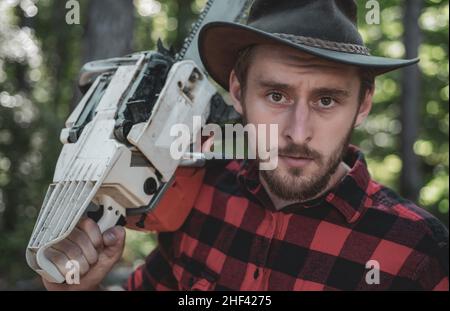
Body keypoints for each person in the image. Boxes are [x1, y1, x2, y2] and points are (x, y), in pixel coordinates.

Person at [43, 0, 449, 291]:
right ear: (237, 91)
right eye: (276, 95)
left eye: (327, 100)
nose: (298, 132)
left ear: (362, 105)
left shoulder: (417, 252)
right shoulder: (203, 197)